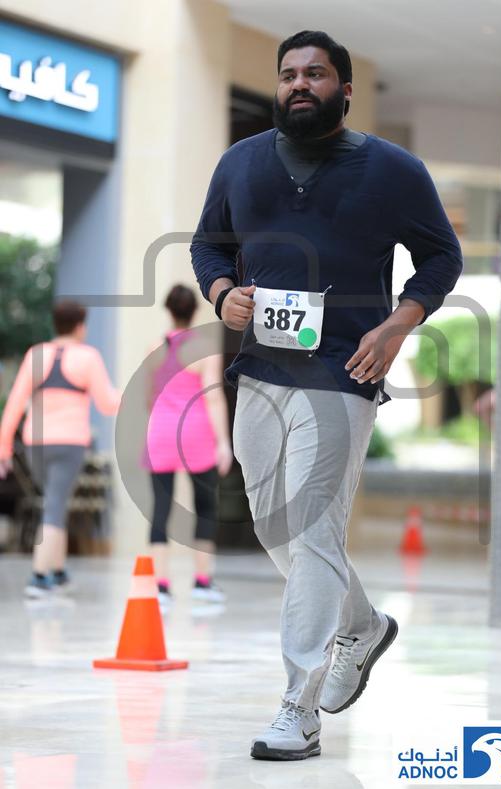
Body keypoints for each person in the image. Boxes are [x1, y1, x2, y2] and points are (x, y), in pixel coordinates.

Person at [191, 30, 463, 760]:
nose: (299, 84)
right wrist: (222, 293)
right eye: (288, 74)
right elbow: (208, 244)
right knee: (274, 526)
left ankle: (299, 707)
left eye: (315, 74)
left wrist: (399, 325)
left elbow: (442, 255)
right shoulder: (240, 162)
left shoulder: (394, 170)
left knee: (311, 529)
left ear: (344, 89)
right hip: (260, 372)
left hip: (345, 371)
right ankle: (362, 624)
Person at [0, 300, 121, 598]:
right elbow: (107, 404)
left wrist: (3, 447)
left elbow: (15, 403)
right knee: (55, 506)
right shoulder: (87, 357)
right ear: (80, 326)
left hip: (36, 444)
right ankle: (39, 577)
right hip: (69, 443)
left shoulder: (36, 354)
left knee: (54, 502)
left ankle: (57, 571)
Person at [142, 284, 233, 605]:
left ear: (169, 310)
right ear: (194, 311)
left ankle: (161, 585)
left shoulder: (155, 347)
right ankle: (202, 582)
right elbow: (214, 397)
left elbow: (149, 397)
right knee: (205, 508)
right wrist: (224, 443)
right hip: (197, 434)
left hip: (161, 434)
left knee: (161, 509)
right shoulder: (204, 348)